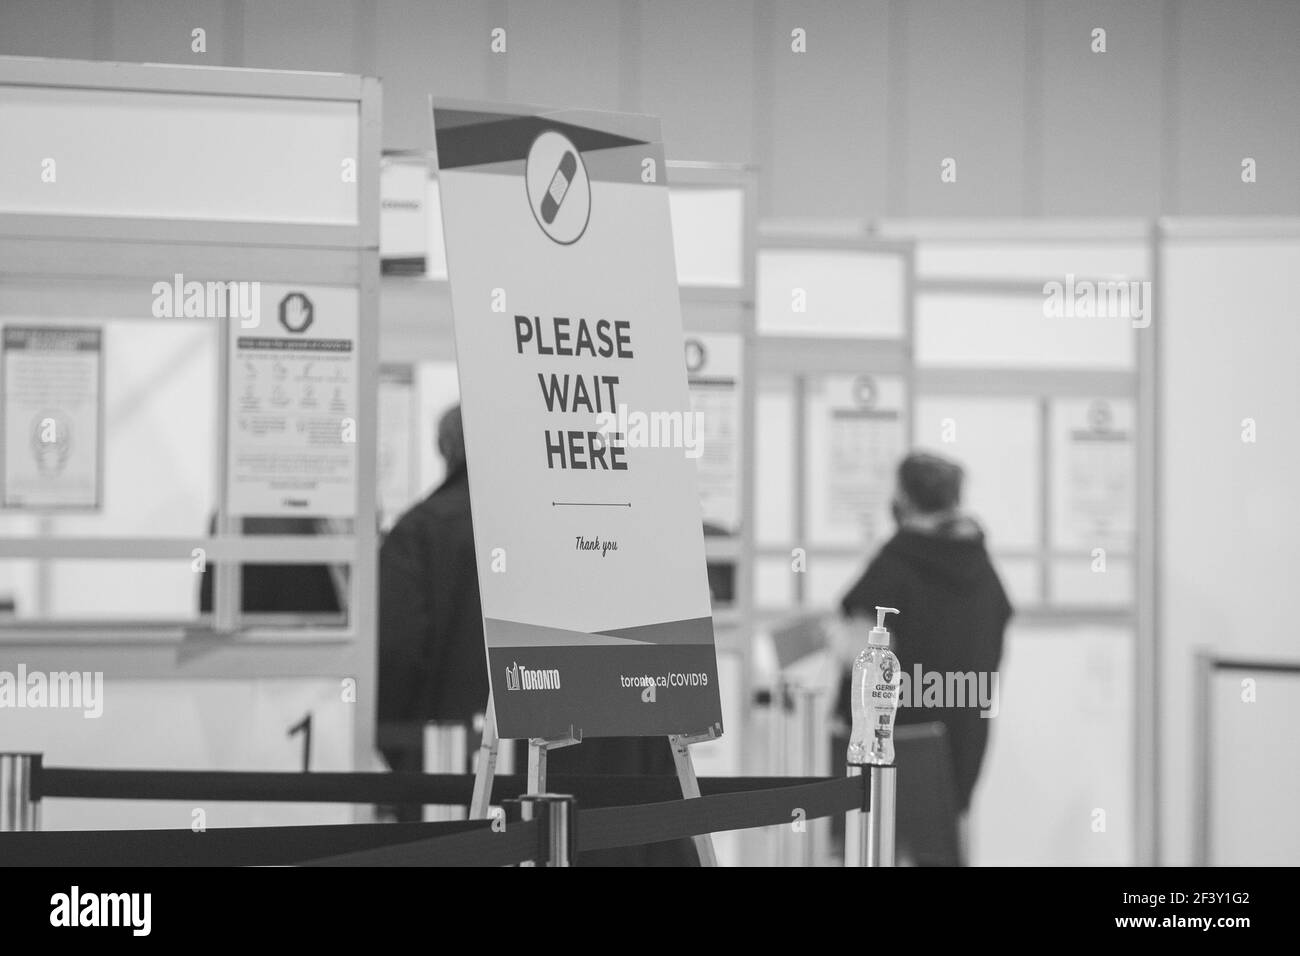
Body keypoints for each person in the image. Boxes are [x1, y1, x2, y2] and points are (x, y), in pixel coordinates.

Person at [376, 404, 696, 864]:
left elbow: (392, 660)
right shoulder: (616, 518)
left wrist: (410, 760)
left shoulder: (422, 533)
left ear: (448, 453)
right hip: (616, 808)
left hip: (475, 793)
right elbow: (659, 664)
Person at [836, 451, 1012, 822]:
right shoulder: (983, 568)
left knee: (885, 842)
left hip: (896, 746)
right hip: (965, 738)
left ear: (903, 498)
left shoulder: (894, 564)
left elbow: (860, 656)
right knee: (943, 841)